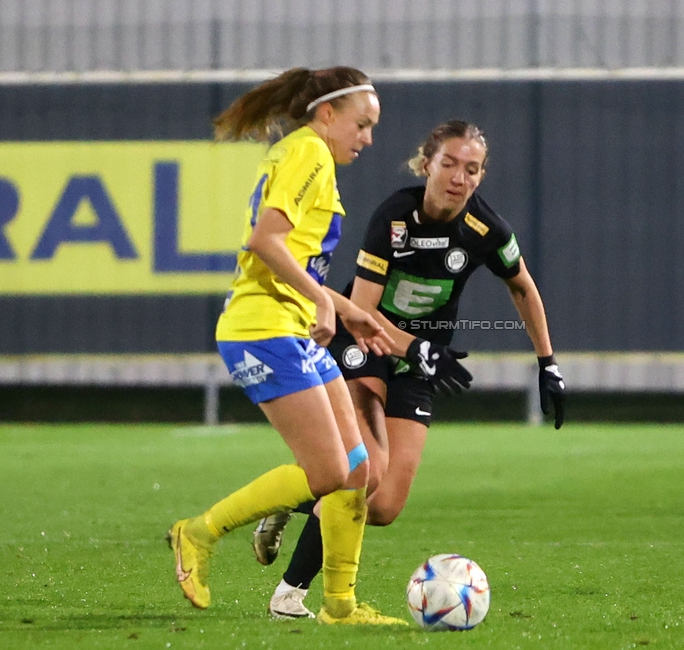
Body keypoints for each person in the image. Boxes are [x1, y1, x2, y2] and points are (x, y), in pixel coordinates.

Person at [250, 119, 567, 619]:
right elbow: (362, 311)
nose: (459, 177)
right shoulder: (395, 217)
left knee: (384, 505)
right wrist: (414, 347)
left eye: (472, 169)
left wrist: (548, 363)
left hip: (420, 360)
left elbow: (522, 286)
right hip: (366, 346)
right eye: (449, 164)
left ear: (481, 176)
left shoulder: (487, 230)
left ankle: (294, 497)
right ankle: (290, 596)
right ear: (427, 165)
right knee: (366, 472)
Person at [166, 66, 408, 625]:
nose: (368, 137)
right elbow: (265, 241)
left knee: (361, 471)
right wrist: (326, 304)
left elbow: (292, 259)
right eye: (362, 124)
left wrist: (347, 310)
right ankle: (198, 534)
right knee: (327, 474)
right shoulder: (310, 154)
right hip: (262, 329)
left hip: (291, 325)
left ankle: (339, 607)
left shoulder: (304, 153)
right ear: (327, 114)